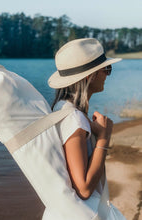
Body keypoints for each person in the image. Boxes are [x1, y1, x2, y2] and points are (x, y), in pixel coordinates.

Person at [47, 38, 125, 217]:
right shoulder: (74, 118)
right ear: (90, 76)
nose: (107, 74)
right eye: (106, 69)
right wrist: (104, 137)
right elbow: (84, 188)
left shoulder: (60, 108)